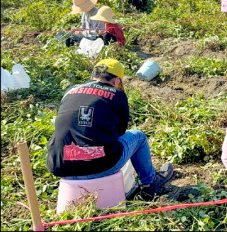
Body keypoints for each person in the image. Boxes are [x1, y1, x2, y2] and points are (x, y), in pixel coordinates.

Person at [46, 59, 174, 198]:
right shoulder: (117, 94)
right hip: (101, 166)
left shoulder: (70, 91)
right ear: (115, 81)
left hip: (60, 165)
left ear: (92, 76)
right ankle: (150, 184)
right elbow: (120, 132)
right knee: (139, 136)